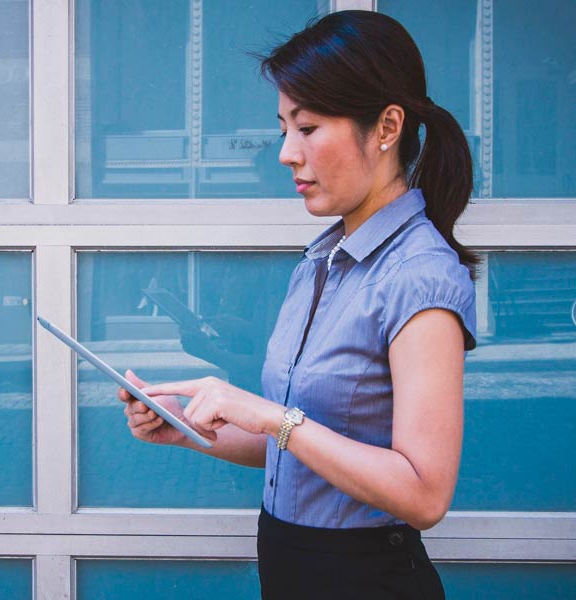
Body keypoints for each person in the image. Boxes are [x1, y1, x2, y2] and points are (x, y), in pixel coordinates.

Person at [117, 10, 477, 599]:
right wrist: (184, 428)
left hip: (364, 580)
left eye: (306, 128)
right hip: (290, 567)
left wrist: (268, 415)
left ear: (387, 126)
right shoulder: (322, 259)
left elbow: (424, 493)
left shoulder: (419, 275)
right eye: (283, 127)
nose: (286, 152)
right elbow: (296, 445)